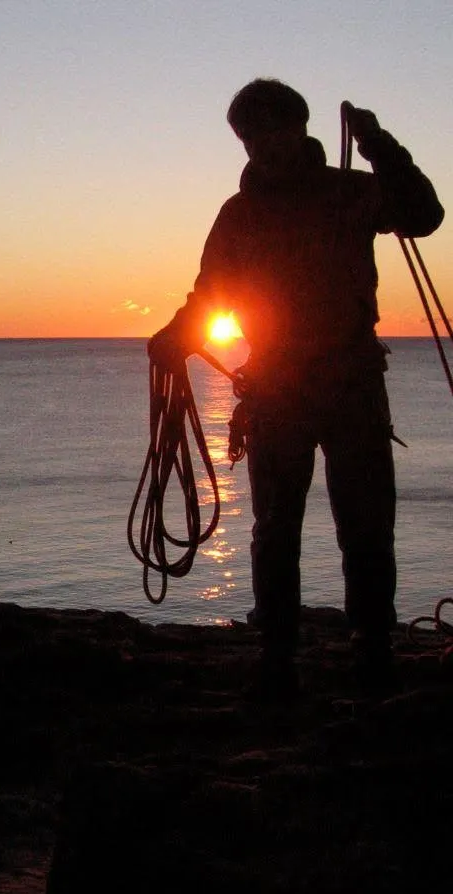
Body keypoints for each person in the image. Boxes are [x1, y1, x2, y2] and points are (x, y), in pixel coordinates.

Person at [148, 78, 444, 699]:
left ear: (300, 128)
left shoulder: (350, 191)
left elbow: (423, 215)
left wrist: (380, 146)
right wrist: (175, 334)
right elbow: (211, 295)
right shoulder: (238, 215)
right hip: (279, 389)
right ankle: (276, 652)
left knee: (365, 524)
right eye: (252, 137)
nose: (264, 147)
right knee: (275, 527)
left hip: (351, 383)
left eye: (274, 131)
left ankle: (372, 645)